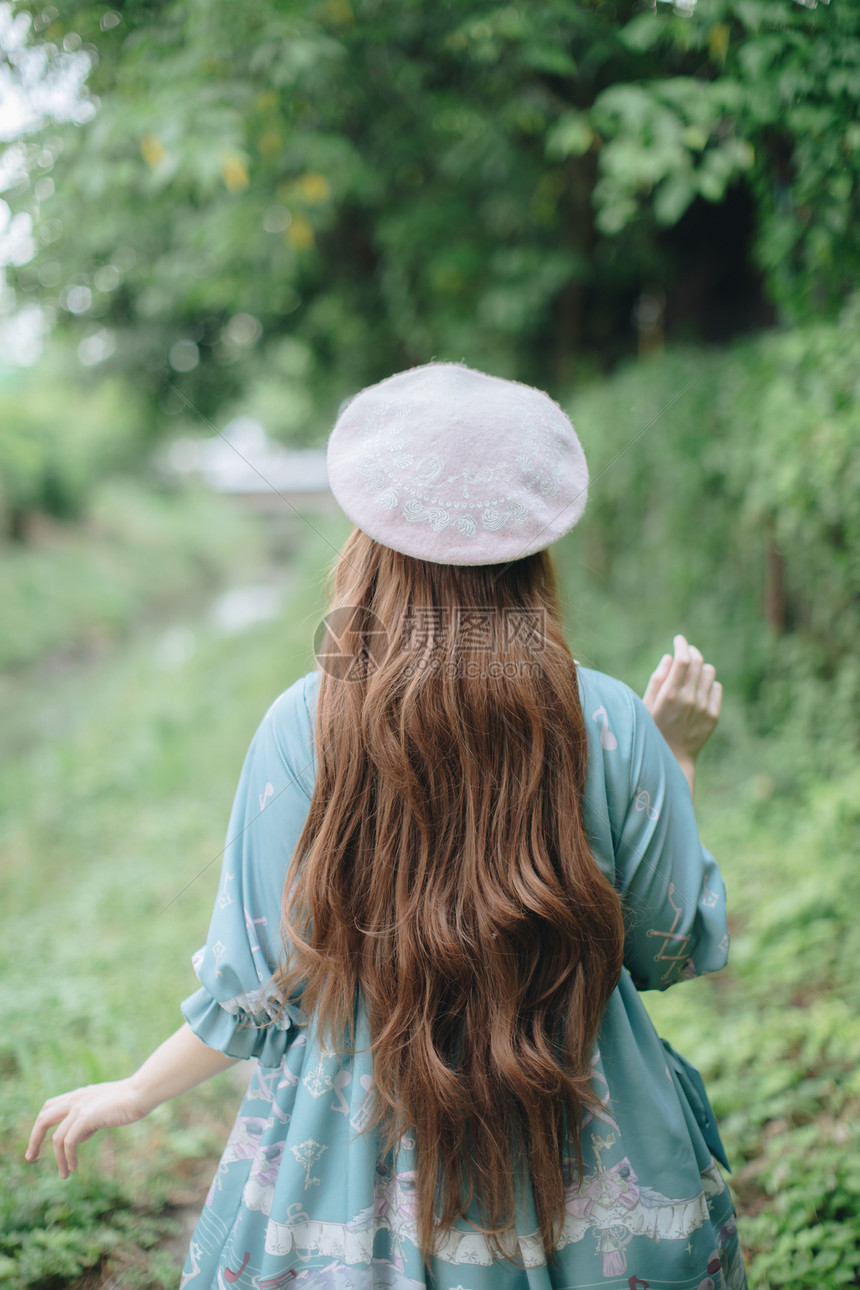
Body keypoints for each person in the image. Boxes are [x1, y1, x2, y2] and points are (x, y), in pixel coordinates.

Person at [27, 364, 747, 1290]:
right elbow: (669, 948)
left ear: (371, 543)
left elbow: (258, 984)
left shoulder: (305, 723)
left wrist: (134, 1091)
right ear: (533, 555)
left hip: (354, 1186)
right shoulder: (608, 721)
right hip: (589, 1166)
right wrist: (675, 755)